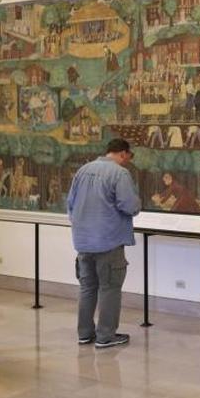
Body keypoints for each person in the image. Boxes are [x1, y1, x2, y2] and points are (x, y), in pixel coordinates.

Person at [67, 138, 142, 348]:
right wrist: (138, 203)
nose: (128, 160)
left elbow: (70, 205)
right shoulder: (119, 173)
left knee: (87, 287)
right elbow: (129, 206)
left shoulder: (83, 170)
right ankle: (106, 336)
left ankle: (84, 333)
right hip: (108, 241)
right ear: (123, 153)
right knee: (110, 288)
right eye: (129, 156)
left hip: (83, 241)